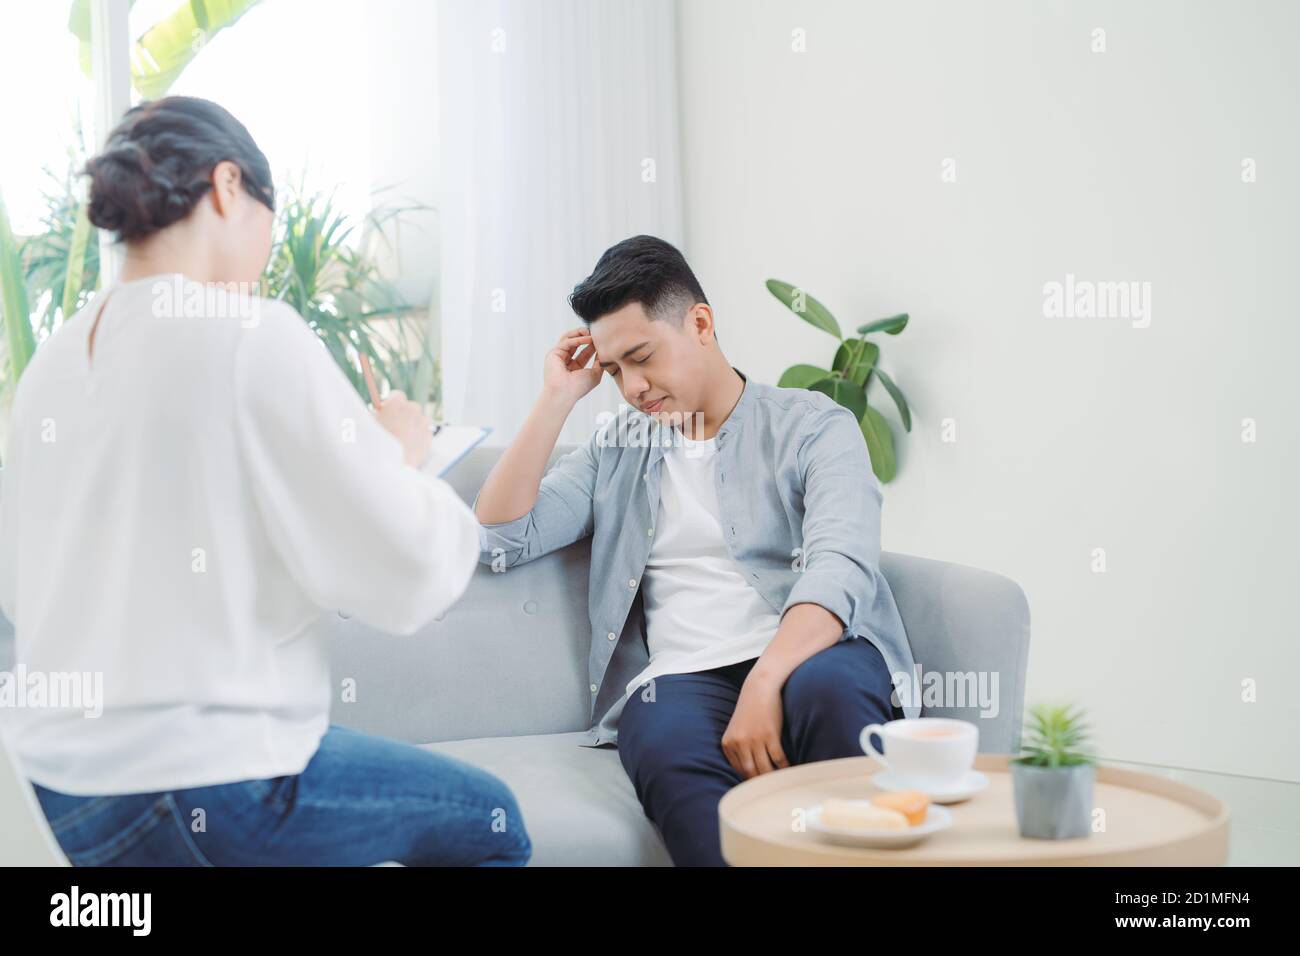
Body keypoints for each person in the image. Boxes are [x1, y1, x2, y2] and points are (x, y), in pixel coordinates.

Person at [0, 96, 530, 866]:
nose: (268, 251)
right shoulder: (249, 334)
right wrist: (400, 453)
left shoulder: (50, 364)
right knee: (491, 821)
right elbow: (411, 567)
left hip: (54, 795)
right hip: (198, 786)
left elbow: (25, 589)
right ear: (227, 186)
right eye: (268, 218)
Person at [472, 234, 918, 866]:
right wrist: (558, 399)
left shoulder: (814, 426)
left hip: (810, 652)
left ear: (701, 324)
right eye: (615, 370)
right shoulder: (616, 448)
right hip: (681, 680)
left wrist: (766, 680)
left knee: (831, 693)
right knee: (663, 743)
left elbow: (840, 566)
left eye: (642, 356)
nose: (632, 386)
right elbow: (499, 539)